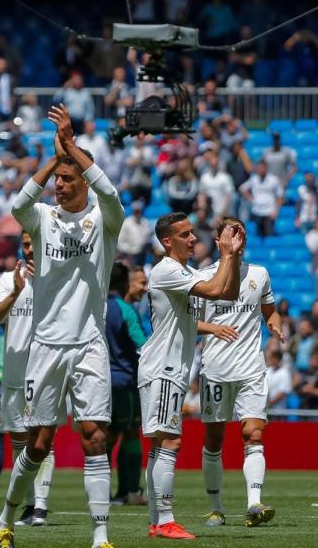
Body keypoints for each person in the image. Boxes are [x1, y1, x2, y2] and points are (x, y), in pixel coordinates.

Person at [0, 104, 124, 548]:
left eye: (68, 179)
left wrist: (73, 150)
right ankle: (7, 518)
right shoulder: (42, 218)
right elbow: (18, 202)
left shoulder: (104, 222)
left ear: (83, 181)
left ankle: (101, 535)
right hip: (46, 344)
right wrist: (54, 157)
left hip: (88, 343)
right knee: (39, 443)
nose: (60, 185)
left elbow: (111, 193)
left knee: (94, 436)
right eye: (57, 180)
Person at [139, 211, 244, 540]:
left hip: (168, 367)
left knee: (159, 445)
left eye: (192, 233)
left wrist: (234, 259)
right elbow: (214, 290)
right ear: (167, 241)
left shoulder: (180, 272)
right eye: (185, 235)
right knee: (170, 440)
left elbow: (228, 294)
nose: (193, 239)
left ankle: (158, 521)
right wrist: (225, 254)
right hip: (164, 367)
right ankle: (166, 520)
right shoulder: (168, 270)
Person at [197, 217, 283, 527]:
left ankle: (254, 504)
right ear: (218, 239)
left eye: (240, 230)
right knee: (214, 438)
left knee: (253, 433)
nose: (237, 235)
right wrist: (212, 328)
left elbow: (269, 311)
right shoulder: (203, 278)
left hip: (251, 368)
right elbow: (187, 321)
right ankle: (216, 507)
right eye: (230, 231)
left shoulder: (259, 274)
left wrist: (275, 326)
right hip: (215, 369)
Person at [0, 231, 54, 526]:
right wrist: (16, 291)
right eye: (26, 244)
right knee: (18, 438)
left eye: (34, 243)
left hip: (47, 370)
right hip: (15, 372)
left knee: (43, 438)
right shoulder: (7, 279)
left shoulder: (58, 276)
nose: (29, 249)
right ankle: (29, 504)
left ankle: (40, 505)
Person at [104, 262, 148, 507]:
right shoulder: (124, 310)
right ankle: (129, 490)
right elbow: (143, 345)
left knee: (104, 437)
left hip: (98, 381)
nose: (145, 287)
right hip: (123, 381)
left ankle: (103, 492)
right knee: (129, 432)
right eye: (141, 282)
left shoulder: (95, 306)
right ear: (125, 284)